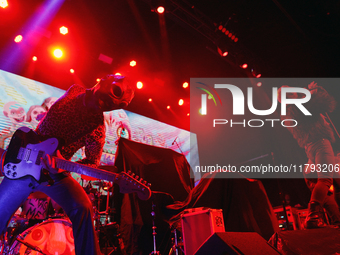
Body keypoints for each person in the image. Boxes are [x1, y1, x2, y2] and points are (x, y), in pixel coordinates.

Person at [0, 74, 134, 254]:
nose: (107, 105)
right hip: (25, 160)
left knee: (83, 207)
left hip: (55, 174)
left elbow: (91, 165)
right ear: (101, 81)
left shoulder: (97, 129)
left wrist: (63, 164)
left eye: (114, 105)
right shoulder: (74, 90)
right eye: (109, 97)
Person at [278, 82, 340, 228]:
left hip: (310, 148)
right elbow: (327, 104)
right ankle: (313, 216)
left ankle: (336, 220)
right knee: (325, 180)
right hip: (321, 144)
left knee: (333, 182)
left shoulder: (288, 112)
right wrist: (313, 93)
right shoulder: (300, 106)